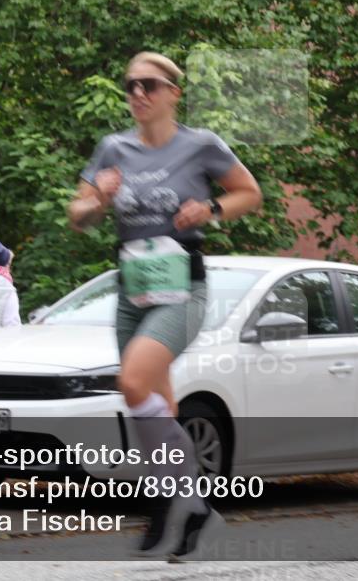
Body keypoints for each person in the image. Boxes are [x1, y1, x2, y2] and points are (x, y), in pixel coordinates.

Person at [68, 51, 262, 558]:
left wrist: (211, 208)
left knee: (133, 384)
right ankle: (175, 504)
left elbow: (249, 193)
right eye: (130, 86)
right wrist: (97, 200)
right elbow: (78, 216)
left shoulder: (201, 146)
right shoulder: (112, 148)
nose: (137, 94)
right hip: (132, 290)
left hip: (182, 288)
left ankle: (189, 503)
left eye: (149, 85)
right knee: (156, 407)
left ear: (173, 93)